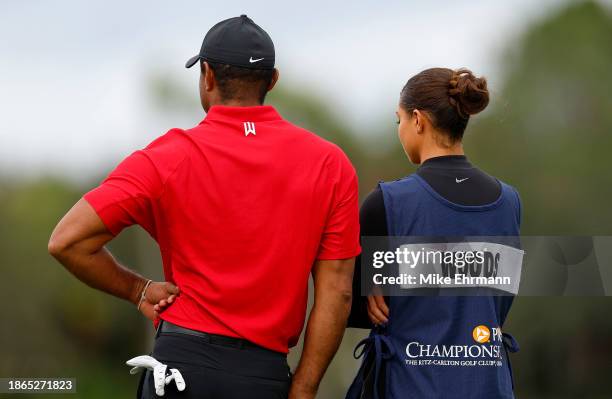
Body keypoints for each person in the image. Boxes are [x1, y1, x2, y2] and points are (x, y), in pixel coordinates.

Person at [48, 15, 361, 399]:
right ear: (272, 80)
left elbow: (67, 241)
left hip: (183, 372)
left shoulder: (167, 156)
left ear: (207, 75)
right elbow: (338, 294)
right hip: (263, 378)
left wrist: (137, 290)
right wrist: (304, 388)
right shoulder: (330, 164)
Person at [346, 68, 522, 399]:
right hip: (488, 385)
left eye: (397, 119)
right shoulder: (508, 201)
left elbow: (353, 306)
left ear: (418, 120)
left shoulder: (386, 203)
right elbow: (497, 298)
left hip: (410, 385)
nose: (399, 129)